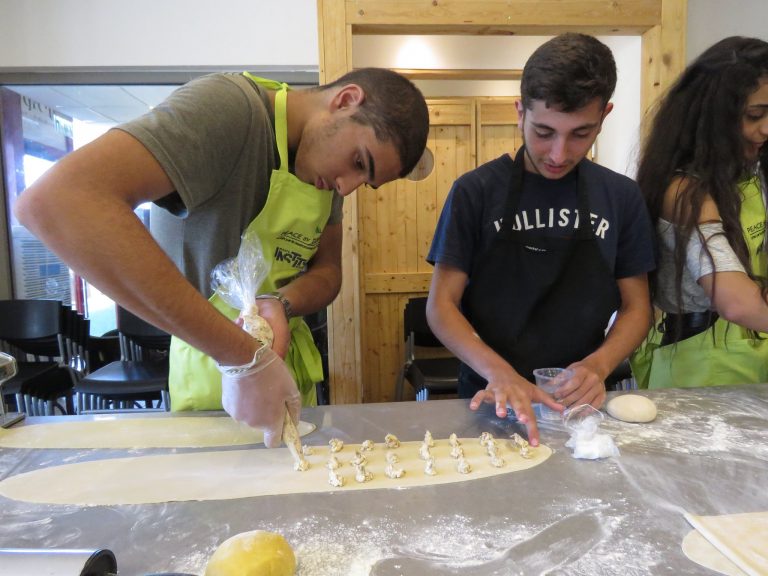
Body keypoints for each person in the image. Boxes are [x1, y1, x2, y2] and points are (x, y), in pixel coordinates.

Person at [15, 68, 429, 446]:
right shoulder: (230, 111)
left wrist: (280, 305)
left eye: (365, 181)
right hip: (212, 371)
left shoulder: (325, 171)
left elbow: (328, 271)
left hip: (286, 369)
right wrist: (243, 358)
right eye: (359, 163)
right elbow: (58, 201)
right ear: (345, 100)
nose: (346, 187)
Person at [426, 33, 655, 446]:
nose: (558, 153)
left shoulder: (620, 197)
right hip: (490, 394)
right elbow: (441, 306)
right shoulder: (475, 192)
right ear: (520, 112)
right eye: (544, 131)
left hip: (579, 400)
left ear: (605, 115)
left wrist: (599, 366)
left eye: (581, 134)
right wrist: (500, 373)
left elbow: (637, 307)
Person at [631, 36, 768, 389]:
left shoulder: (750, 175)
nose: (766, 128)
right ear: (710, 119)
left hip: (754, 351)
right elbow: (735, 301)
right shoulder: (683, 191)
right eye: (754, 115)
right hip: (697, 362)